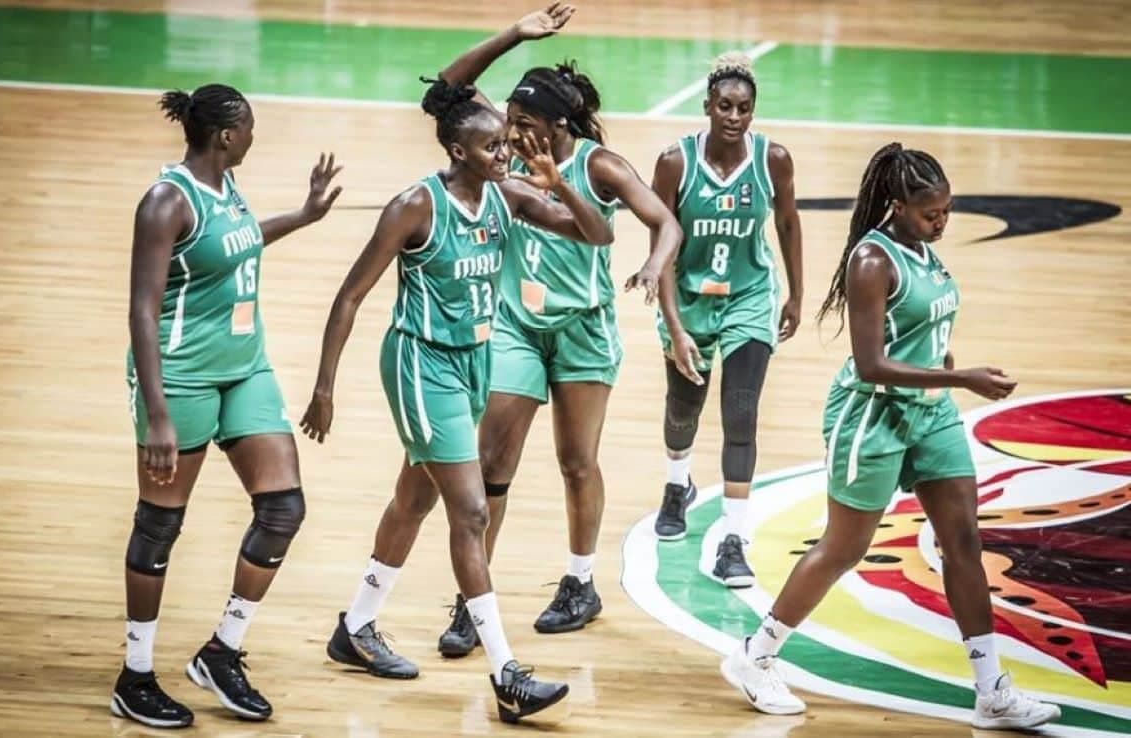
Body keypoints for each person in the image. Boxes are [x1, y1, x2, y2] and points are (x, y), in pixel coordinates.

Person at [300, 72, 614, 724]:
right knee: (469, 512)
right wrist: (324, 387)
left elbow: (596, 236)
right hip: (421, 364)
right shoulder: (415, 206)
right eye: (495, 146)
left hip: (474, 362)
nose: (508, 153)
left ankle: (355, 625)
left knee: (413, 498)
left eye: (507, 144)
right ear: (458, 152)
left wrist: (560, 187)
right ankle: (507, 673)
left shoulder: (509, 195)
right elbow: (351, 296)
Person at [721, 142, 1062, 731]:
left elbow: (925, 327)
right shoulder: (872, 261)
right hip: (872, 417)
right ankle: (756, 655)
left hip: (932, 415)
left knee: (963, 543)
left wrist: (945, 369)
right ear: (898, 205)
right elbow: (872, 363)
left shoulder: (923, 250)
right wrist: (963, 376)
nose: (943, 222)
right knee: (843, 548)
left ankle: (991, 690)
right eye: (933, 214)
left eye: (949, 210)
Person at [423, 3, 685, 655]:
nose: (511, 132)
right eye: (509, 122)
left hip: (583, 331)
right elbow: (444, 93)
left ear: (560, 126)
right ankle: (472, 604)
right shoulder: (502, 150)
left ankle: (580, 582)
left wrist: (655, 263)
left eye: (525, 123)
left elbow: (666, 223)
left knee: (576, 463)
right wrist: (514, 33)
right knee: (491, 463)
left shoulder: (600, 166)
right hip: (514, 326)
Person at [113, 84, 343, 729]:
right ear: (225, 135)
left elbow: (236, 242)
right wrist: (156, 412)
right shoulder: (166, 201)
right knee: (159, 526)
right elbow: (142, 307)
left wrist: (303, 215)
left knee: (283, 509)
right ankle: (135, 675)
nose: (253, 137)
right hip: (180, 377)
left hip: (244, 369)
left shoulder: (226, 186)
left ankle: (223, 651)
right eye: (249, 129)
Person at [649, 53, 803, 592]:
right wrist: (674, 326)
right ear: (707, 106)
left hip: (749, 298)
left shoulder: (773, 160)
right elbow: (662, 249)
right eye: (724, 106)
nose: (733, 116)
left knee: (740, 412)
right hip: (688, 301)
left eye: (743, 108)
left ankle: (734, 540)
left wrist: (796, 295)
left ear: (753, 111)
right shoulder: (674, 163)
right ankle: (677, 484)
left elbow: (787, 221)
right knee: (682, 410)